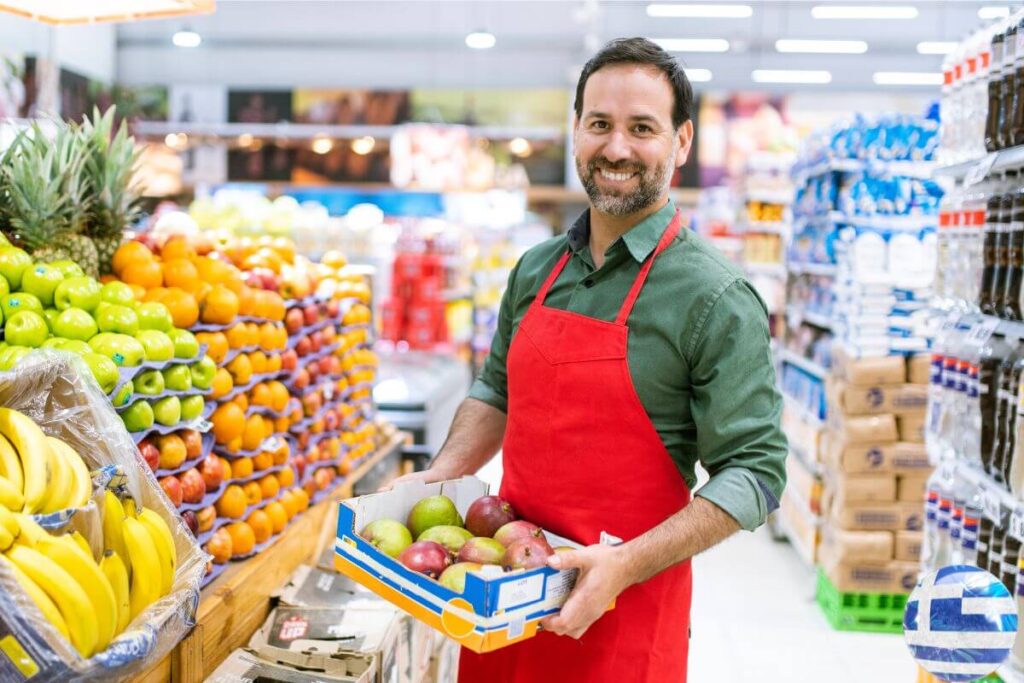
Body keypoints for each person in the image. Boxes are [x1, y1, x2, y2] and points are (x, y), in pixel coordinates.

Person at [391, 37, 788, 682]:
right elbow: (496, 391)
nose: (617, 148)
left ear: (681, 142)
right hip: (499, 604)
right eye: (599, 124)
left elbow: (756, 472)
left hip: (622, 615)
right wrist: (435, 480)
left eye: (642, 128)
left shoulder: (716, 298)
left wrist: (625, 565)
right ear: (576, 131)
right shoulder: (537, 270)